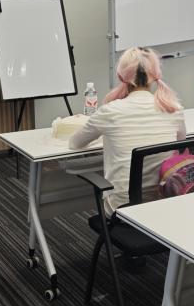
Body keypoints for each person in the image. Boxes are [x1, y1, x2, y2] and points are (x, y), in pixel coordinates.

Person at [70, 47, 186, 213]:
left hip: (122, 208)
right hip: (164, 201)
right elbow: (180, 144)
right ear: (156, 75)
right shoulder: (174, 109)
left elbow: (75, 143)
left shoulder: (109, 111)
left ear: (120, 76)